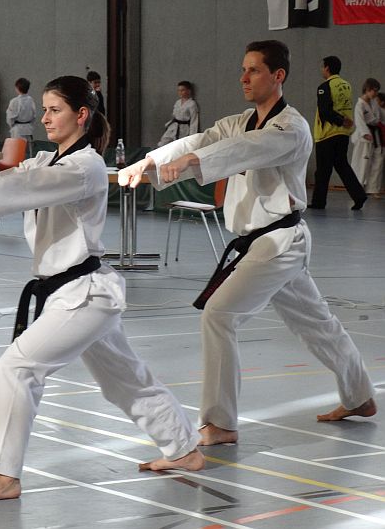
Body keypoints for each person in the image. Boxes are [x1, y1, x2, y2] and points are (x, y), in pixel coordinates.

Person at [0, 75, 204, 503]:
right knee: (124, 379)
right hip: (71, 294)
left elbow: (26, 188)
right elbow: (5, 179)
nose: (46, 118)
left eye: (54, 110)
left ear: (81, 115)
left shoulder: (85, 166)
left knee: (17, 367)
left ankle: (5, 476)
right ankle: (184, 448)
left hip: (84, 295)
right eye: (45, 110)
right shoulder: (47, 159)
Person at [119, 40, 377, 446]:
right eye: (243, 69)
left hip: (278, 242)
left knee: (219, 315)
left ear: (278, 75)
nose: (243, 77)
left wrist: (192, 163)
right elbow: (200, 141)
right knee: (317, 325)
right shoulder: (239, 121)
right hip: (261, 242)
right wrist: (149, 162)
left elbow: (246, 150)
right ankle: (360, 396)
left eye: (253, 70)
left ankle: (220, 422)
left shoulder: (291, 127)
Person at [308, 56, 367, 210]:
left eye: (322, 67)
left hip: (327, 133)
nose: (322, 70)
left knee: (323, 170)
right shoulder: (347, 85)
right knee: (342, 165)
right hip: (343, 134)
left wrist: (340, 120)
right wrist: (343, 122)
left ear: (327, 68)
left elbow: (325, 111)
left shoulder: (324, 87)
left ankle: (319, 202)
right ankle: (359, 195)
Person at [350, 78, 382, 198]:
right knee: (361, 163)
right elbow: (359, 121)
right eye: (374, 90)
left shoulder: (374, 103)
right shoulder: (360, 104)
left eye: (377, 91)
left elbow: (378, 118)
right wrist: (365, 133)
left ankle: (373, 188)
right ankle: (357, 188)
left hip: (375, 135)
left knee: (376, 163)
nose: (375, 93)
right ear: (367, 89)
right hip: (363, 137)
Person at [157, 81, 199, 147]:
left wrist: (192, 137)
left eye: (182, 90)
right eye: (179, 90)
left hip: (184, 129)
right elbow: (174, 115)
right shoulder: (178, 102)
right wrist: (169, 124)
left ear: (188, 91)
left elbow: (194, 121)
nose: (180, 92)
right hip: (173, 126)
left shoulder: (192, 104)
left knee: (178, 146)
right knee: (163, 143)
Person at [5, 77, 36, 143]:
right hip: (28, 128)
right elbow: (34, 116)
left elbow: (10, 117)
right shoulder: (31, 100)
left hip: (18, 130)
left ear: (17, 88)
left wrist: (11, 125)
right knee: (28, 147)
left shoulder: (14, 101)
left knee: (17, 147)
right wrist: (30, 125)